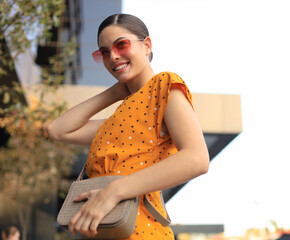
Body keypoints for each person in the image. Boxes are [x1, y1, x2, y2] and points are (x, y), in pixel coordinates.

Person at [46, 13, 209, 239]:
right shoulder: (118, 118)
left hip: (143, 230)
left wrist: (114, 191)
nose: (113, 56)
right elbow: (56, 130)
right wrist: (114, 92)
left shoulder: (164, 85)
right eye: (104, 52)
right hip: (107, 231)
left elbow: (197, 159)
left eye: (121, 45)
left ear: (147, 45)